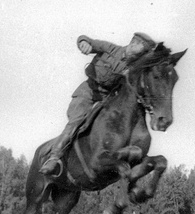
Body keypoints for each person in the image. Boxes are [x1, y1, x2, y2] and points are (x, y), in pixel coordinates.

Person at [39, 32, 156, 176]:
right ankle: (54, 157)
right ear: (134, 44)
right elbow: (86, 40)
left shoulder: (134, 67)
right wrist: (83, 43)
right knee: (76, 121)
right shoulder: (109, 49)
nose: (142, 56)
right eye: (142, 51)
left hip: (107, 99)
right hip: (88, 93)